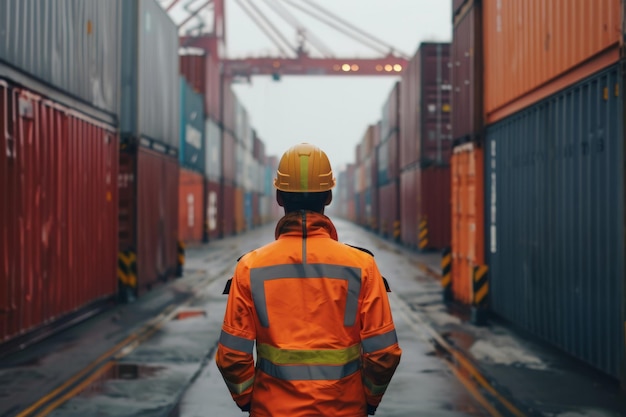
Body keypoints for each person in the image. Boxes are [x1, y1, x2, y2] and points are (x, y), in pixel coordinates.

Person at [216, 143, 402, 416]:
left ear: (279, 197)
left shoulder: (250, 267)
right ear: (328, 196)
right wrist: (368, 400)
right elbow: (384, 354)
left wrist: (248, 400)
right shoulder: (362, 266)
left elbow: (232, 356)